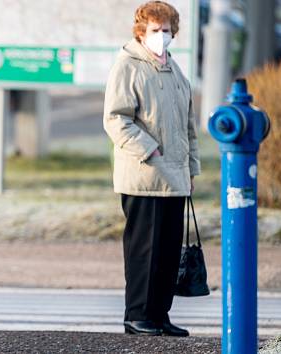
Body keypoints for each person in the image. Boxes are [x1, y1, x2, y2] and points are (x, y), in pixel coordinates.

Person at [103, 1, 200, 337]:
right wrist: (150, 148)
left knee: (168, 251)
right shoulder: (128, 65)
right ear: (141, 32)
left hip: (174, 177)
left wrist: (191, 168)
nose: (162, 36)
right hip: (143, 176)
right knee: (145, 250)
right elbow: (116, 118)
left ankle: (160, 314)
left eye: (167, 30)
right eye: (156, 30)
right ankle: (138, 315)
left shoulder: (174, 69)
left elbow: (188, 124)